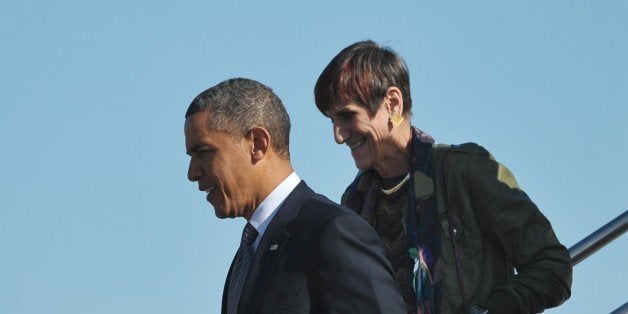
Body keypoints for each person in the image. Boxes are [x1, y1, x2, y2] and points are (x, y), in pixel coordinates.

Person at [313, 40, 573, 314]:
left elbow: (552, 267)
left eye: (347, 116)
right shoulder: (353, 206)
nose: (338, 136)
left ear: (392, 103)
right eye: (333, 121)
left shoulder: (465, 172)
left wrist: (495, 309)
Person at [184, 78, 406, 314]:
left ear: (258, 144)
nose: (192, 173)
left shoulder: (332, 232)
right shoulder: (246, 257)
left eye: (203, 152)